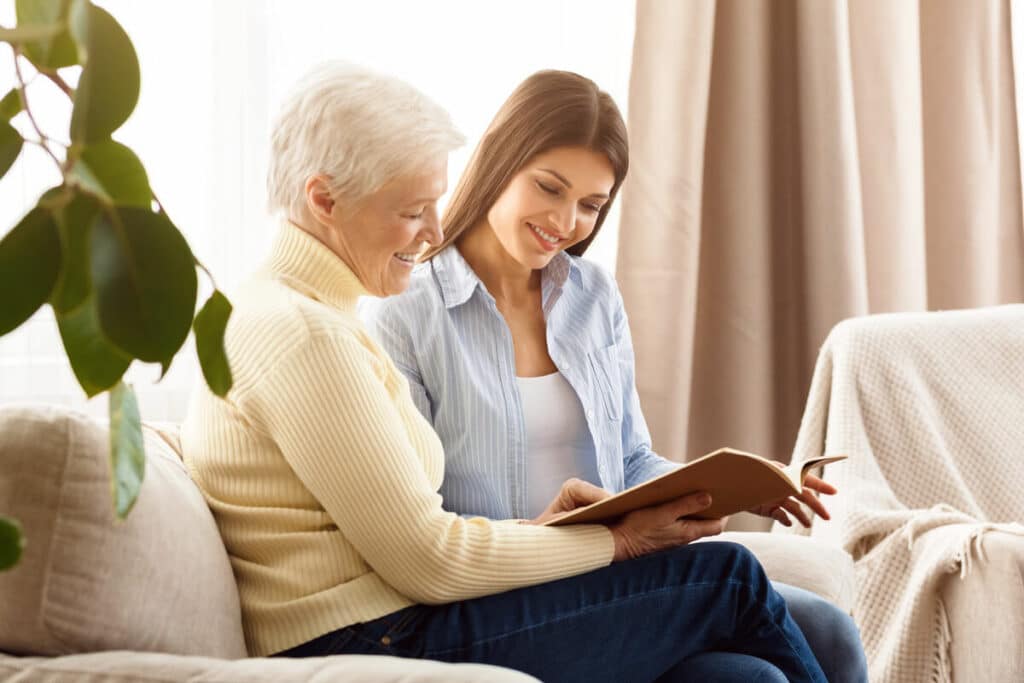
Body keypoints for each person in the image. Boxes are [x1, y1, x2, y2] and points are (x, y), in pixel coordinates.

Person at [181, 61, 827, 683]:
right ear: (323, 199)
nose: (432, 228)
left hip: (398, 619)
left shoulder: (322, 315)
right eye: (413, 210)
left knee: (748, 676)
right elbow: (428, 557)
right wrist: (616, 542)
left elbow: (416, 533)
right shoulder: (305, 331)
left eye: (590, 204)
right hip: (374, 635)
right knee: (728, 576)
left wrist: (569, 527)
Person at [363, 70, 868, 682]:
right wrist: (544, 535)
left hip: (611, 580)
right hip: (505, 597)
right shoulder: (405, 312)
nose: (566, 221)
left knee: (816, 642)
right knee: (738, 601)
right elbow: (415, 523)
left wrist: (727, 486)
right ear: (501, 162)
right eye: (549, 188)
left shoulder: (591, 296)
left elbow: (628, 461)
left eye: (591, 205)